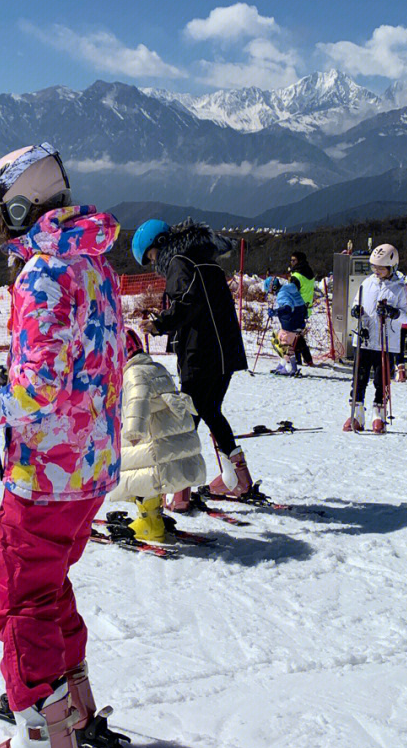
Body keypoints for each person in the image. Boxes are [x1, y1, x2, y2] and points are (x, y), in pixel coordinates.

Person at [0, 143, 123, 748]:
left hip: (48, 471)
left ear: (21, 208)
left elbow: (35, 393)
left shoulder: (45, 275)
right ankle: (69, 702)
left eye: (1, 218)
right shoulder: (95, 262)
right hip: (92, 463)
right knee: (49, 582)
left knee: (19, 593)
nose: (2, 234)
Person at [131, 217, 250, 499]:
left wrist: (160, 324)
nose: (154, 263)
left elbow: (187, 302)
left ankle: (180, 490)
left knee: (186, 421)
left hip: (202, 352)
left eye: (151, 256)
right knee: (209, 412)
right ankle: (238, 479)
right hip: (225, 351)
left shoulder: (179, 262)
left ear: (160, 244)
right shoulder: (205, 260)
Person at [108, 327, 206, 541]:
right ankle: (155, 516)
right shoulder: (156, 367)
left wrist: (133, 429)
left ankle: (149, 522)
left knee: (142, 477)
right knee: (152, 478)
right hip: (165, 436)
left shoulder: (133, 373)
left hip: (150, 439)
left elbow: (137, 401)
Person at [344, 243, 407, 433]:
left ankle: (378, 415)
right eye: (374, 267)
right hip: (364, 338)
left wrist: (393, 312)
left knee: (381, 380)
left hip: (386, 342)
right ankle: (356, 414)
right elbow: (357, 302)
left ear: (392, 267)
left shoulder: (400, 289)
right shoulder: (367, 283)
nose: (376, 271)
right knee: (359, 377)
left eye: (381, 268)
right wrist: (355, 310)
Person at [267, 274, 308, 377]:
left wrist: (275, 312)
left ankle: (291, 368)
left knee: (282, 344)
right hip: (296, 321)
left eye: (270, 290)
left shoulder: (282, 294)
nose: (270, 293)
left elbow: (288, 308)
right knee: (281, 340)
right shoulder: (288, 289)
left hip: (291, 323)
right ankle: (283, 365)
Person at [287, 251, 318, 366]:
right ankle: (306, 359)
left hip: (296, 308)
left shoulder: (296, 276)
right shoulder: (309, 273)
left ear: (299, 261)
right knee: (297, 334)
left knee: (292, 334)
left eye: (293, 260)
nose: (291, 262)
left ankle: (298, 361)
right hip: (306, 308)